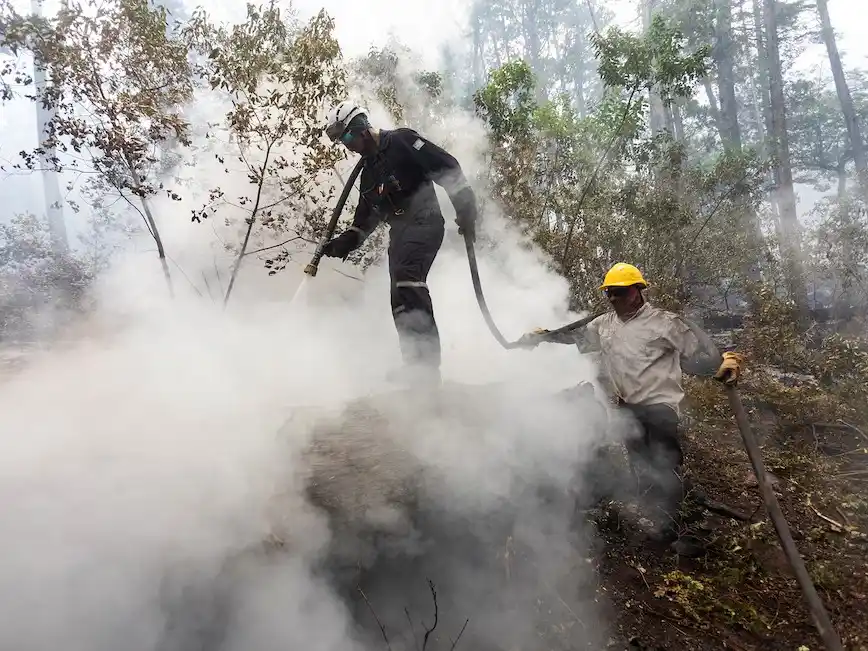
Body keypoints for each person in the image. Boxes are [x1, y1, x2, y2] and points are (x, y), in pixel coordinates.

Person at [518, 262, 745, 545]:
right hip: (628, 405)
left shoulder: (665, 322)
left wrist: (723, 360)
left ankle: (673, 526)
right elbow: (575, 337)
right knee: (639, 461)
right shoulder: (604, 324)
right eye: (609, 293)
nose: (614, 298)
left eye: (620, 292)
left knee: (664, 463)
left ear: (637, 291)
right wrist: (545, 336)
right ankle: (652, 515)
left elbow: (698, 350)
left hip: (660, 405)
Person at [320, 100, 479, 386]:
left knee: (407, 279)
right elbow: (363, 221)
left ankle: (427, 368)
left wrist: (465, 208)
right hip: (400, 234)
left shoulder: (403, 141)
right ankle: (414, 365)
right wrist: (340, 244)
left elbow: (447, 167)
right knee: (398, 297)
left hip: (426, 224)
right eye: (342, 140)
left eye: (347, 136)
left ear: (361, 127)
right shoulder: (368, 175)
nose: (347, 145)